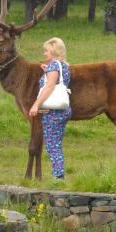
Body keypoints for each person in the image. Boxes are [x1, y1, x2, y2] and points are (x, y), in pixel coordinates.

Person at [29, 37, 71, 179]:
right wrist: (48, 71)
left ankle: (58, 177)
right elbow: (57, 80)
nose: (44, 54)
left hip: (53, 111)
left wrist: (36, 104)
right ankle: (59, 175)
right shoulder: (62, 66)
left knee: (52, 145)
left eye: (46, 51)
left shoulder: (53, 66)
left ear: (54, 51)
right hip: (63, 110)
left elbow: (49, 87)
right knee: (56, 144)